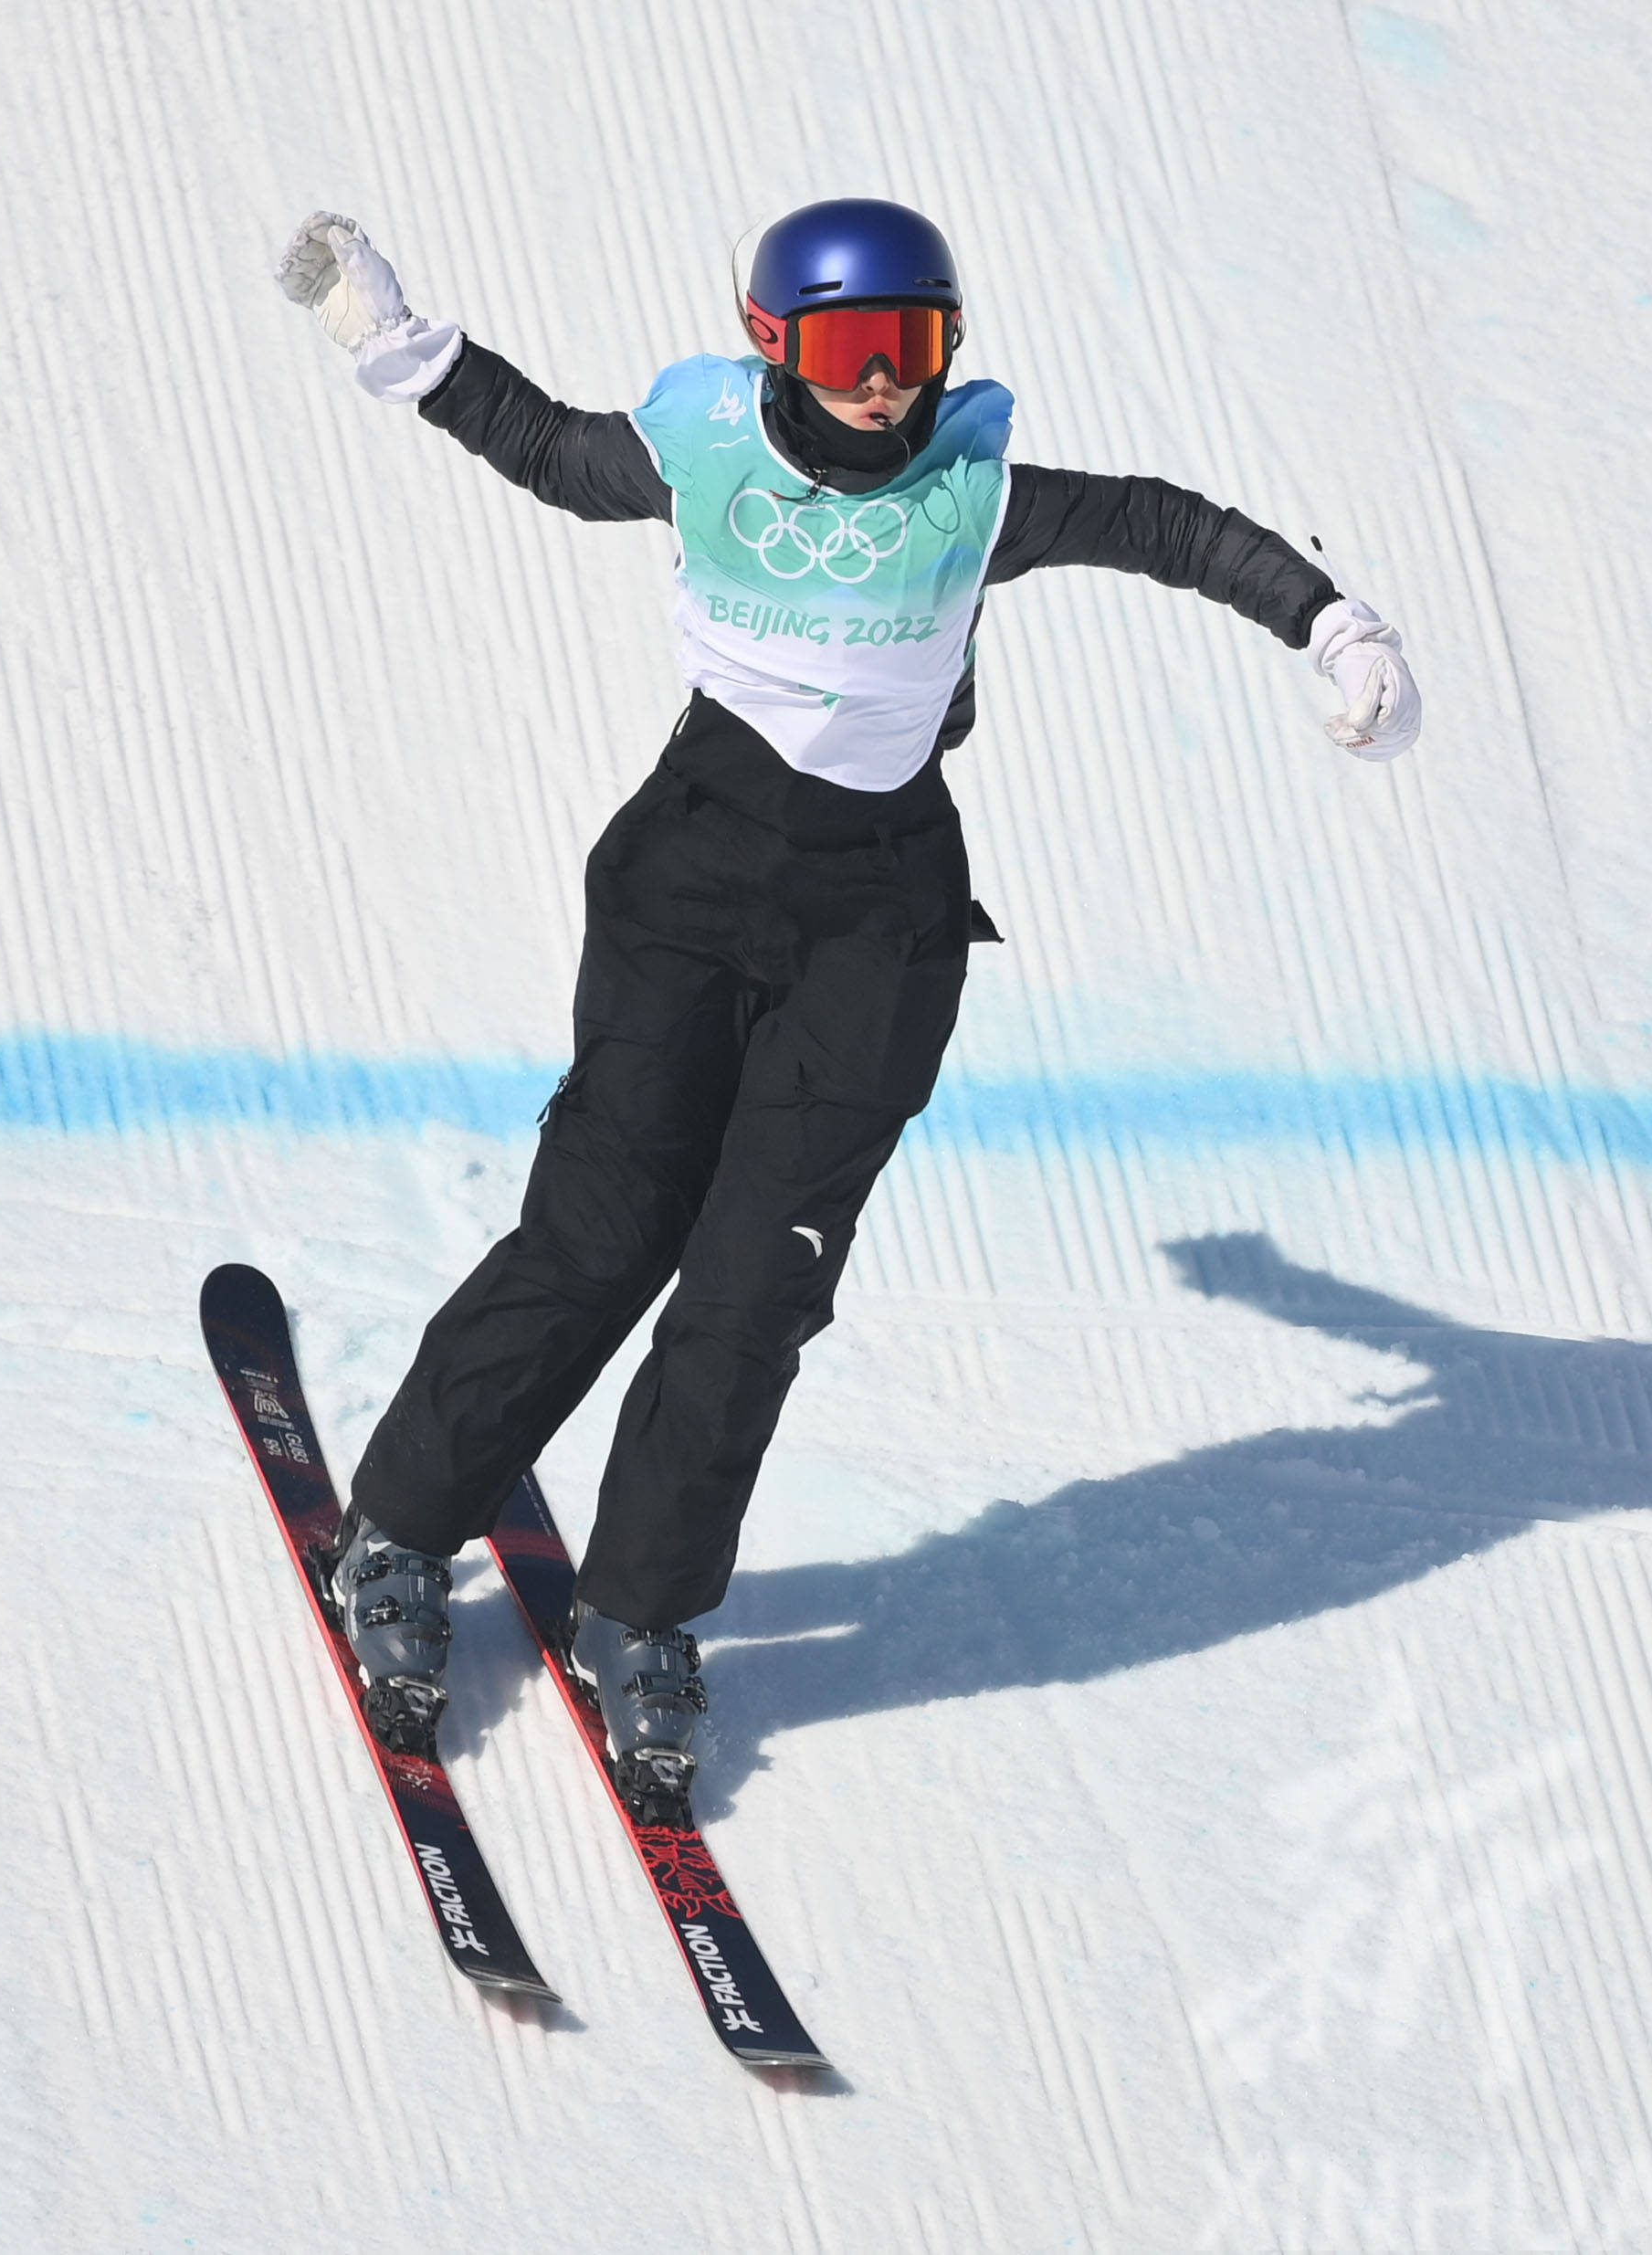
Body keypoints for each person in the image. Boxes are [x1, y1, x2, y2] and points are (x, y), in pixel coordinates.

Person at [271, 199, 1421, 1812]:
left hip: (880, 921)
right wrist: (400, 344)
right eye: (847, 350)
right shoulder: (707, 455)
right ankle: (400, 1528)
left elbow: (1167, 526)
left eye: (914, 349)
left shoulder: (975, 487)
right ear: (774, 346)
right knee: (604, 1230)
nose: (884, 385)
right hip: (689, 881)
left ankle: (644, 1611)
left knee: (755, 1291)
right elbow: (544, 447)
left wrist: (1329, 617)